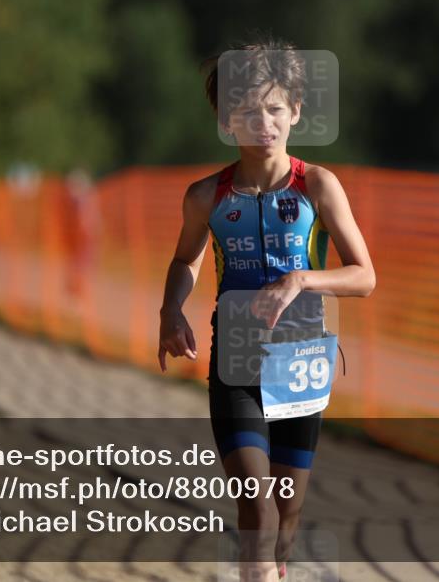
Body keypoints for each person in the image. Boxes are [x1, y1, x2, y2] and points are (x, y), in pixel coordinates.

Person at [157, 40, 375, 582]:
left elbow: (364, 275)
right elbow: (185, 259)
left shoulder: (318, 186)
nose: (264, 122)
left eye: (275, 108)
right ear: (227, 120)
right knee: (258, 510)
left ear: (296, 112)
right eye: (249, 110)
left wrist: (300, 279)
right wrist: (170, 309)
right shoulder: (205, 196)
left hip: (300, 365)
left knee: (287, 516)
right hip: (235, 365)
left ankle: (275, 570)